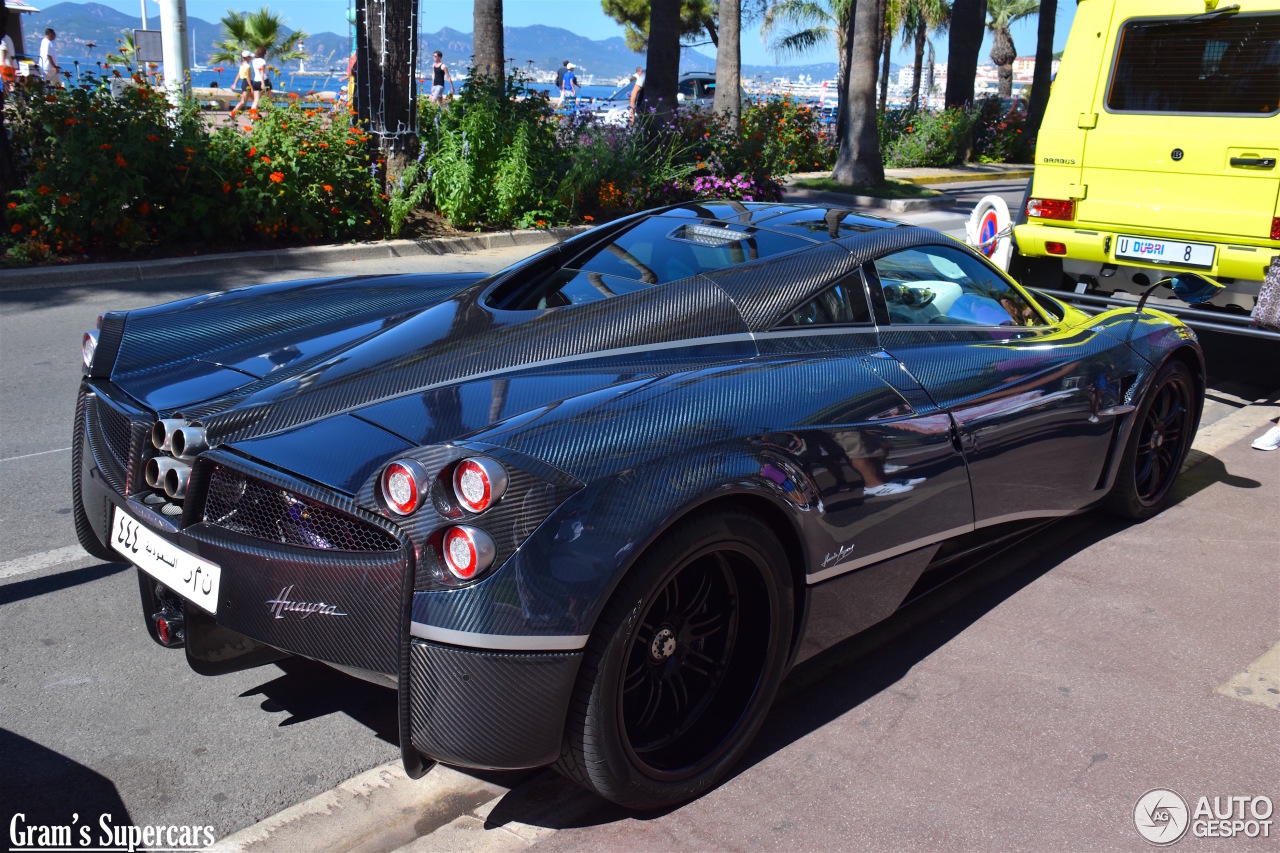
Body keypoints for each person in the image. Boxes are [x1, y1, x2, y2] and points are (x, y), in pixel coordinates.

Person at [228, 51, 252, 117]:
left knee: (254, 100)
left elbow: (239, 74)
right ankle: (232, 113)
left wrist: (235, 83)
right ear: (248, 58)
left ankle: (256, 116)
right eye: (250, 57)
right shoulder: (247, 66)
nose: (251, 58)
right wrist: (251, 87)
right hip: (247, 84)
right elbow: (247, 77)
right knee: (243, 102)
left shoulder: (242, 65)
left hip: (244, 83)